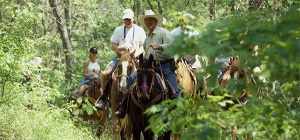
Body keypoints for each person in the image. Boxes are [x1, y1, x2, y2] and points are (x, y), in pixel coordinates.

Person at [114, 9, 182, 118]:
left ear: (156, 21)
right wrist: (140, 62)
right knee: (132, 77)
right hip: (151, 66)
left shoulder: (163, 32)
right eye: (147, 20)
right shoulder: (148, 37)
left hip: (165, 65)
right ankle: (123, 106)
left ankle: (180, 113)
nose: (149, 22)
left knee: (173, 89)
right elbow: (146, 53)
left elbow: (173, 46)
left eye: (151, 20)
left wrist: (160, 47)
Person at [95, 9, 147, 110]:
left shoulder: (140, 30)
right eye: (125, 20)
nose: (127, 21)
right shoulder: (118, 30)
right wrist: (121, 48)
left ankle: (146, 98)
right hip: (120, 57)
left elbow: (143, 47)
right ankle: (104, 98)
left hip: (135, 57)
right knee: (105, 73)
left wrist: (133, 55)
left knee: (146, 74)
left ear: (133, 18)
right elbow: (113, 45)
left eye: (129, 19)